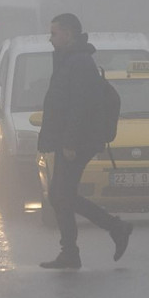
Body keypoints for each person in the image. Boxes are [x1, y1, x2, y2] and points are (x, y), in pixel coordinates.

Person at [37, 14, 133, 269]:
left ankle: (106, 233)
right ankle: (100, 236)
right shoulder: (70, 60)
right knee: (61, 195)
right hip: (72, 139)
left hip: (77, 141)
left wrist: (69, 142)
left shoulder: (79, 62)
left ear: (68, 34)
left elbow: (80, 106)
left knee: (61, 195)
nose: (50, 38)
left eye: (54, 33)